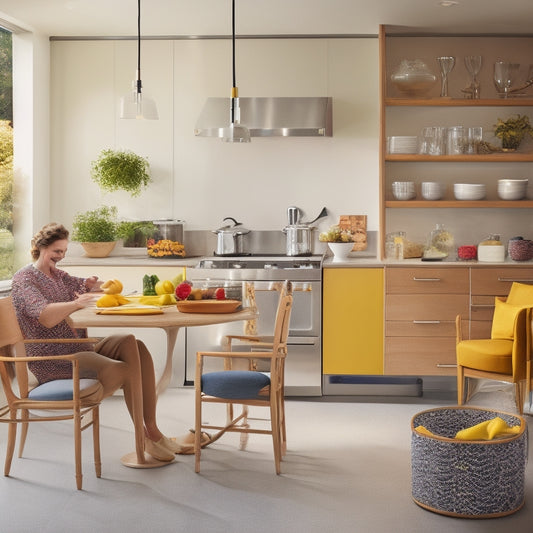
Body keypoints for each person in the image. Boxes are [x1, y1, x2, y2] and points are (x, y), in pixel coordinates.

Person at [10, 222, 182, 463]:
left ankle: (152, 429)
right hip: (53, 358)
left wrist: (98, 286)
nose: (60, 257)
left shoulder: (56, 275)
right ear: (40, 247)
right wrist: (78, 303)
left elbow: (83, 286)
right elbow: (46, 316)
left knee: (134, 345)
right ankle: (141, 438)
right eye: (56, 252)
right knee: (125, 369)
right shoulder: (24, 280)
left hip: (77, 346)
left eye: (64, 252)